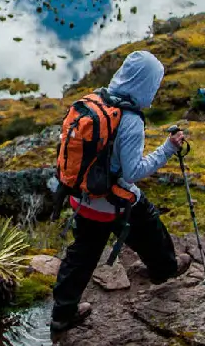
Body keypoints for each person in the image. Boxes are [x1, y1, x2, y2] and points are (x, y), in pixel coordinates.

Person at [50, 50, 189, 333]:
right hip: (113, 201)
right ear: (144, 82)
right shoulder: (131, 120)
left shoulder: (96, 100)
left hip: (82, 195)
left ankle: (62, 314)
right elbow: (133, 172)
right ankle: (164, 270)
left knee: (81, 255)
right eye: (155, 83)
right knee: (149, 224)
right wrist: (168, 149)